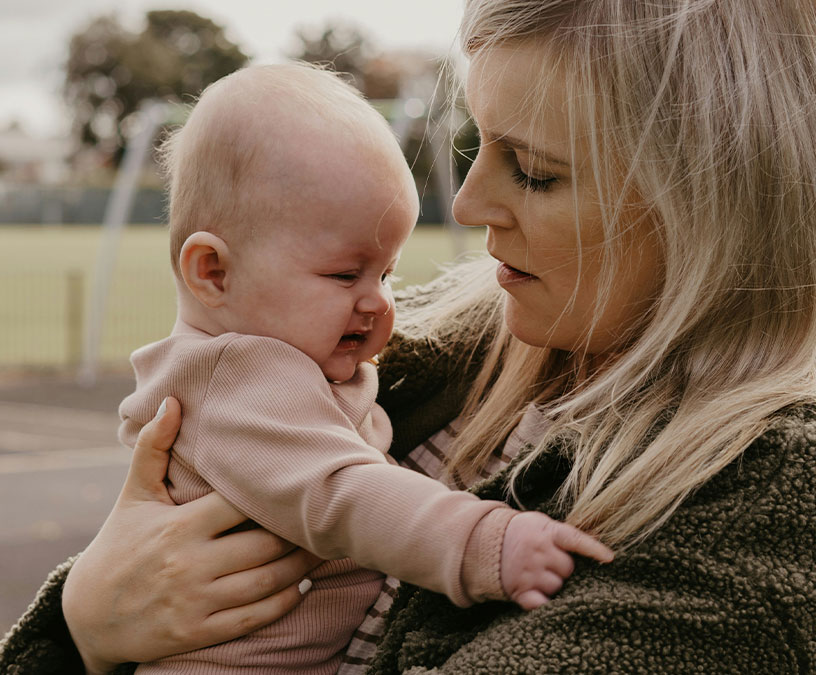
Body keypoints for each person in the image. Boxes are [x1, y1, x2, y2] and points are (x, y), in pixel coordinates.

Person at [0, 1, 816, 674]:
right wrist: (86, 624)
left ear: (711, 200)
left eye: (532, 171)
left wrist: (102, 631)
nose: (469, 202)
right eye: (476, 145)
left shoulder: (815, 489)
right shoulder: (469, 338)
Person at [91, 62, 613, 675]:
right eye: (345, 274)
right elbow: (343, 493)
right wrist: (485, 544)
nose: (378, 302)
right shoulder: (232, 380)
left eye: (387, 274)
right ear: (214, 272)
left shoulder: (285, 361)